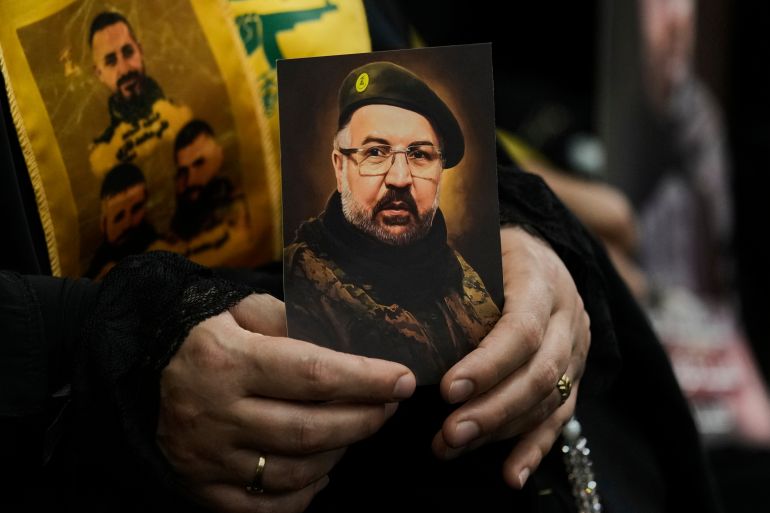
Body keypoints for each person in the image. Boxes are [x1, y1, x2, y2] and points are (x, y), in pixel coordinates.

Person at [285, 61, 501, 384]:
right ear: (340, 169)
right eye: (376, 152)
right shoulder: (297, 283)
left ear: (439, 171)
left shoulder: (464, 280)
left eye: (419, 155)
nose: (399, 179)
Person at [88, 10, 192, 177]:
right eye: (111, 61)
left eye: (128, 52)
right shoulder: (102, 153)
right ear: (99, 73)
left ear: (140, 51)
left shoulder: (184, 107)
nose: (124, 69)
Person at [85, 162, 158, 279]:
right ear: (104, 225)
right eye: (119, 217)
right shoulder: (95, 277)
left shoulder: (160, 246)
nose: (128, 223)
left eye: (136, 209)